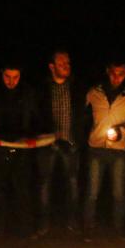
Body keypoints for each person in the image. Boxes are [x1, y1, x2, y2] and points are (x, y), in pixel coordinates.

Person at [0, 63, 40, 238]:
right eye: (7, 77)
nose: (11, 81)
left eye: (15, 77)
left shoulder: (28, 93)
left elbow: (36, 119)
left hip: (21, 149)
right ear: (1, 74)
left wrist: (30, 136)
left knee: (22, 190)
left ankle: (25, 230)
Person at [84, 57, 125, 239]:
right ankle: (88, 228)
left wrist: (121, 131)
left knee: (118, 193)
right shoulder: (94, 91)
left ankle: (118, 229)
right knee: (92, 191)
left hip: (118, 150)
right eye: (114, 73)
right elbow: (81, 112)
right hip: (96, 147)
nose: (117, 78)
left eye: (121, 74)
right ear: (108, 71)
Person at [35, 49, 86, 237]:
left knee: (72, 183)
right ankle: (43, 223)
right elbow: (37, 114)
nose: (66, 65)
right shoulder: (43, 89)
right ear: (51, 66)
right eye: (62, 62)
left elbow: (82, 114)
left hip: (70, 142)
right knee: (44, 183)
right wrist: (45, 132)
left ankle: (72, 222)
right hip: (48, 143)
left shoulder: (76, 87)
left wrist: (78, 137)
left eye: (68, 62)